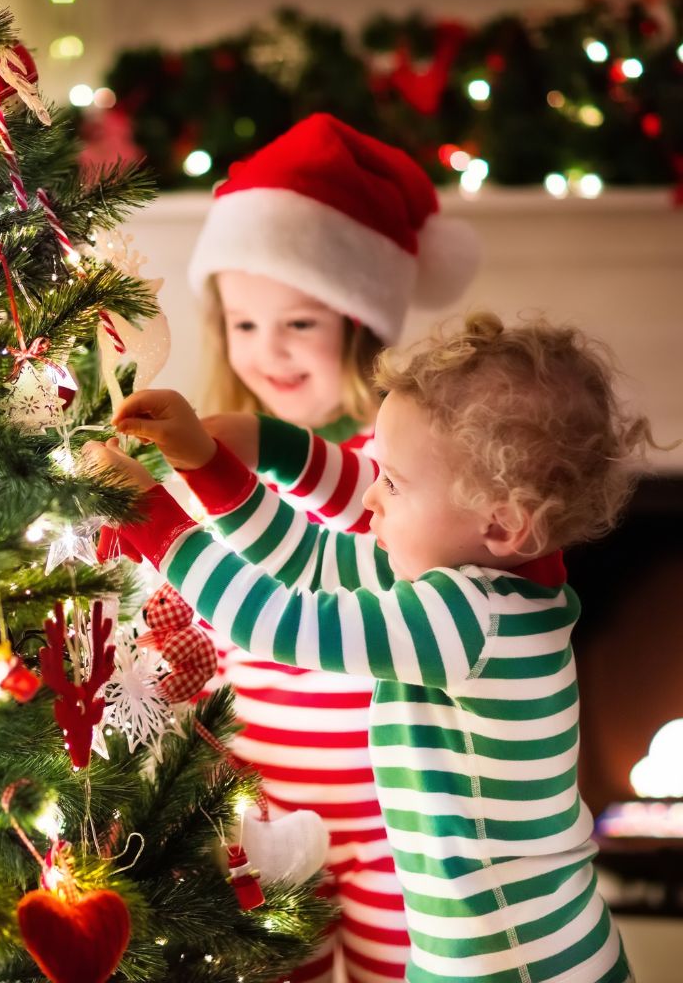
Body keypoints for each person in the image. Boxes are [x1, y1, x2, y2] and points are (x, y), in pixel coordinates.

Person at [86, 311, 649, 983]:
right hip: (474, 952)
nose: (370, 498)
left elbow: (279, 621)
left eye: (395, 484)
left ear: (502, 524)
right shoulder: (479, 581)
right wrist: (213, 465)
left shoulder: (470, 621)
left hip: (519, 964)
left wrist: (158, 521)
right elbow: (311, 558)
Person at [184, 112, 478, 983]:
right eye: (243, 325)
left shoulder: (396, 464)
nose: (266, 351)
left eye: (299, 325)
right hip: (266, 801)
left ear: (357, 323)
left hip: (396, 809)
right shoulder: (218, 467)